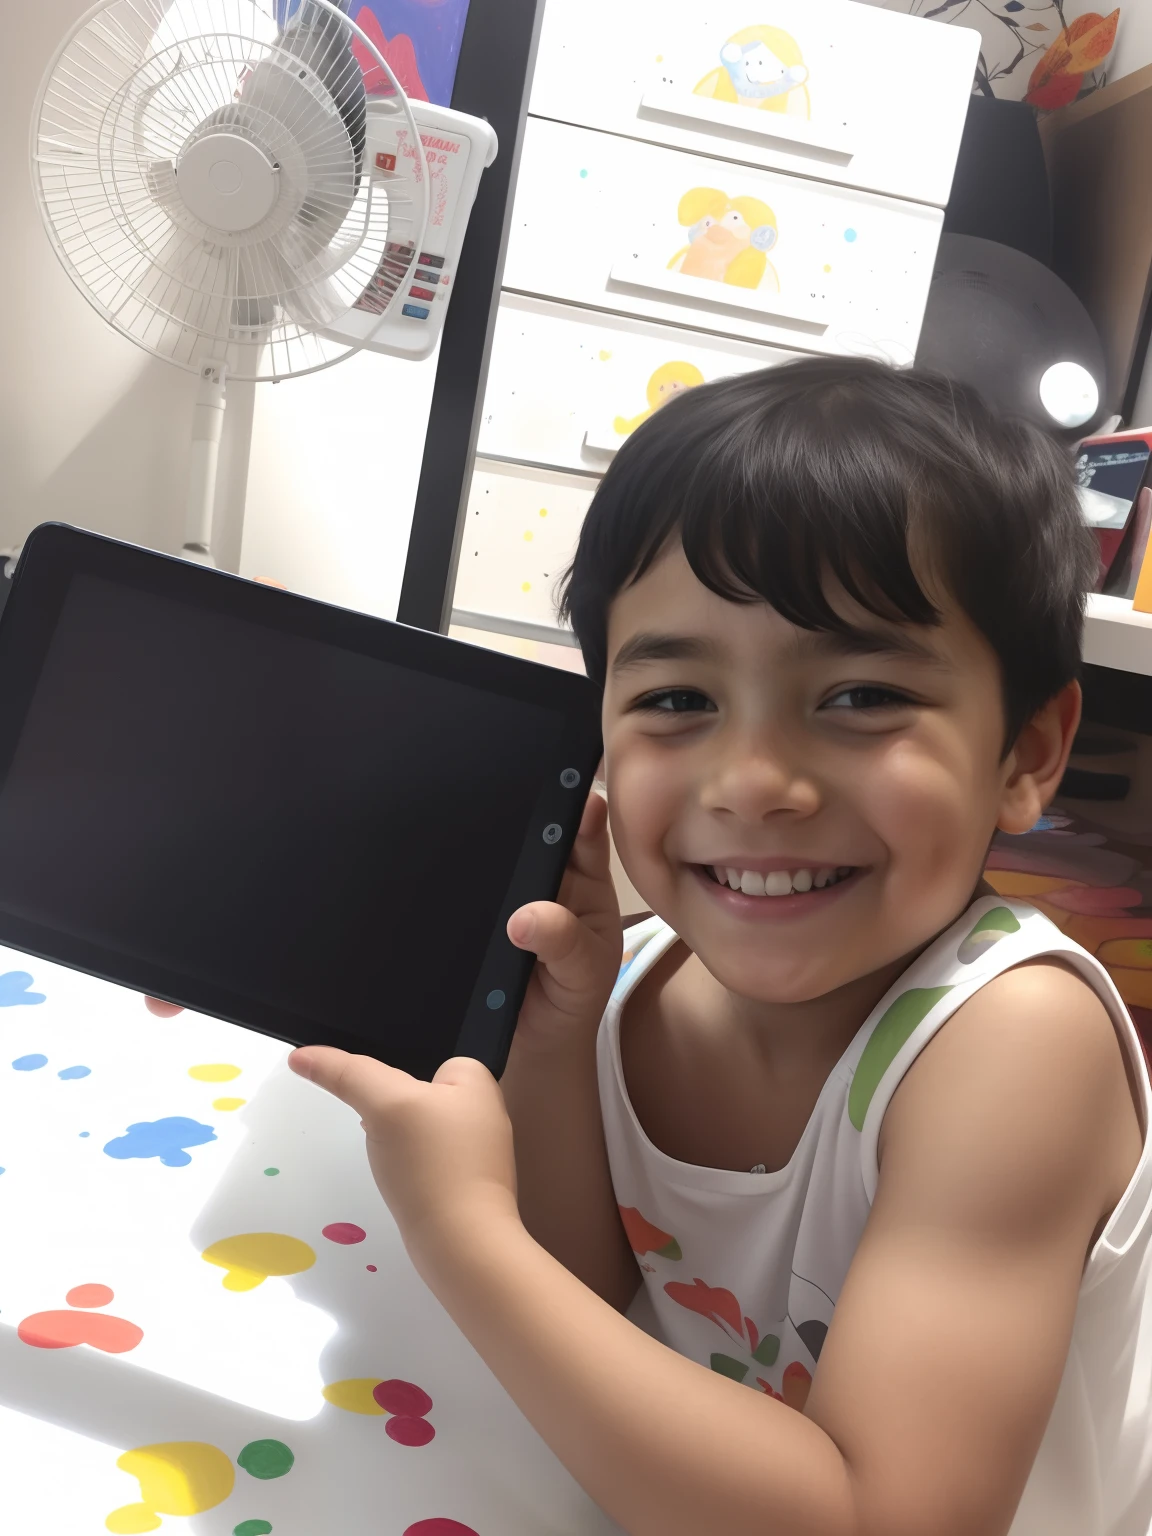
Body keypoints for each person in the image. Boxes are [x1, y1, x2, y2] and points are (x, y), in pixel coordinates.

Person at [287, 357, 1151, 1536]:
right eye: (677, 701)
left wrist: (460, 1232)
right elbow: (590, 1288)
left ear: (1028, 754)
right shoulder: (641, 975)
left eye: (858, 696)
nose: (753, 785)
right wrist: (556, 1036)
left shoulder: (1012, 1043)